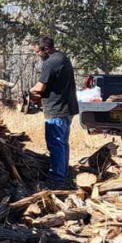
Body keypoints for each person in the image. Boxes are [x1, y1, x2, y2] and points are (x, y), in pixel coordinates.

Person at [29, 36, 78, 187]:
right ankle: (63, 175)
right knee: (62, 143)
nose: (37, 54)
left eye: (38, 51)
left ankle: (56, 180)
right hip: (67, 107)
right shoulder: (63, 57)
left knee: (56, 143)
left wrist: (28, 92)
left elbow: (40, 87)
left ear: (46, 49)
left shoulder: (50, 63)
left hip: (57, 109)